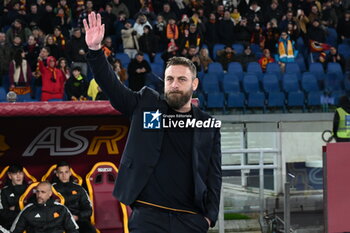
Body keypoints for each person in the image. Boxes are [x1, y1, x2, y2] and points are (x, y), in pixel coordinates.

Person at [84, 12, 222, 233]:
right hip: (148, 216)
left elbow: (214, 175)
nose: (174, 84)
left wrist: (208, 217)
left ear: (194, 84)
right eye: (170, 79)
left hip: (190, 220)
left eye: (181, 79)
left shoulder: (207, 125)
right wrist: (95, 52)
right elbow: (112, 86)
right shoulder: (146, 104)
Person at [9, 181, 79, 233]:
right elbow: (14, 231)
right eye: (37, 192)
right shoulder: (28, 209)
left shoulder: (61, 209)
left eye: (43, 192)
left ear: (50, 194)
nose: (39, 195)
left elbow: (73, 230)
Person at [53, 161, 96, 233]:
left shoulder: (79, 188)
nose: (64, 175)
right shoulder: (51, 189)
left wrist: (77, 217)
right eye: (61, 173)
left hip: (78, 220)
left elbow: (88, 210)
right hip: (60, 222)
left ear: (70, 173)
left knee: (90, 230)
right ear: (57, 174)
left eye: (66, 172)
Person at [0, 165, 28, 231]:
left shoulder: (30, 189)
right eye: (15, 173)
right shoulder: (4, 191)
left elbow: (34, 208)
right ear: (10, 176)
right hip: (10, 223)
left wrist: (15, 208)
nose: (18, 176)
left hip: (29, 222)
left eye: (20, 173)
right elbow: (3, 213)